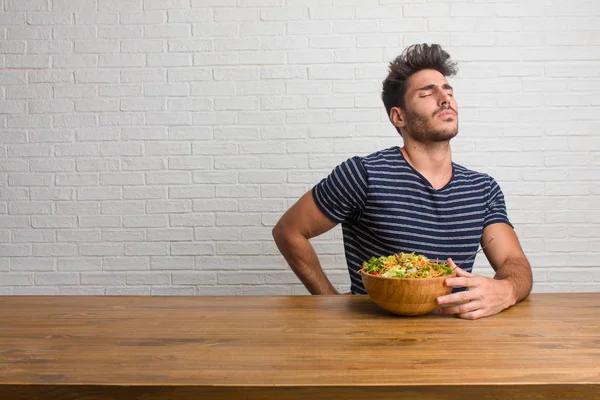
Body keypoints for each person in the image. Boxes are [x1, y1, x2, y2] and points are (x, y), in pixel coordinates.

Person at [272, 43, 532, 320]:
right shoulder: (364, 174)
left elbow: (512, 261)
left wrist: (506, 290)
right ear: (399, 116)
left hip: (454, 339)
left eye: (448, 91)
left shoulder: (482, 189)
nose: (445, 99)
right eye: (427, 93)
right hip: (374, 342)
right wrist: (330, 302)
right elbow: (288, 231)